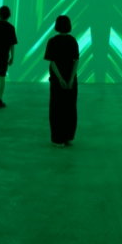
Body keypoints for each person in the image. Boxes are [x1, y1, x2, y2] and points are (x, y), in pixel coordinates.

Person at [43, 15, 80, 147]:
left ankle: (58, 139)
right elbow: (76, 60)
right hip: (71, 79)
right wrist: (71, 79)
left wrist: (60, 79)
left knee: (56, 108)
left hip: (57, 80)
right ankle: (68, 137)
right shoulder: (72, 40)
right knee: (70, 108)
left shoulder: (52, 41)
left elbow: (52, 62)